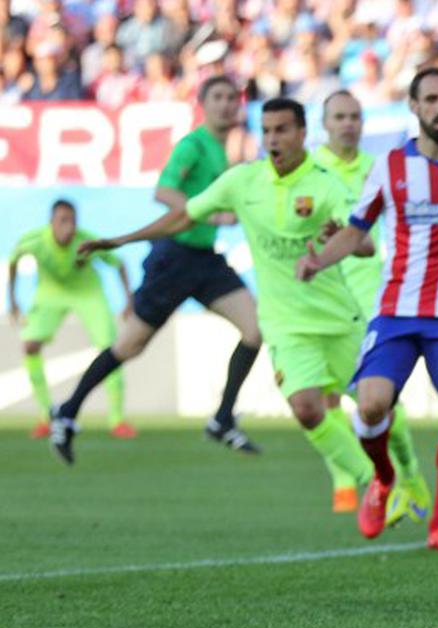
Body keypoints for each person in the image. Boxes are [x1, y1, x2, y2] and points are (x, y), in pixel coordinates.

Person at [78, 98, 381, 513]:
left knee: (375, 405)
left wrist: (324, 257)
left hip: (344, 310)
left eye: (282, 130)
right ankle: (365, 482)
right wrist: (122, 240)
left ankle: (405, 479)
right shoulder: (241, 179)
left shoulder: (332, 180)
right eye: (267, 131)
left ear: (302, 133)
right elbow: (185, 213)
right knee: (309, 406)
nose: (273, 139)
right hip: (286, 320)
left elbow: (363, 243)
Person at [296, 67, 438, 551]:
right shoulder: (389, 168)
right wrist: (320, 260)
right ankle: (384, 479)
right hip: (397, 310)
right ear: (413, 105)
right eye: (431, 99)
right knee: (369, 407)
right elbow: (356, 228)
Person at [49, 76, 262, 464]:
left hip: (205, 258)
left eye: (233, 98)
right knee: (130, 345)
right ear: (203, 103)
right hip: (174, 258)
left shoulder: (222, 151)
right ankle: (67, 411)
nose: (227, 104)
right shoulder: (194, 145)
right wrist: (210, 211)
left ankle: (222, 418)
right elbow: (163, 192)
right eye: (218, 97)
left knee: (253, 330)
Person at [312, 89, 430, 518]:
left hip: (369, 293)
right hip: (320, 296)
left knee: (376, 398)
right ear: (324, 124)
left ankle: (408, 473)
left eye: (355, 116)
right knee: (322, 397)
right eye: (339, 116)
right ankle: (345, 478)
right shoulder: (311, 170)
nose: (348, 123)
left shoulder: (380, 169)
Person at [7, 199, 135, 440]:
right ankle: (46, 416)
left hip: (88, 293)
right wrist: (12, 299)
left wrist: (129, 300)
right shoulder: (33, 241)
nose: (69, 226)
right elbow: (13, 262)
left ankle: (117, 419)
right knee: (30, 345)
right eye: (63, 220)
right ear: (51, 223)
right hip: (51, 292)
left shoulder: (87, 241)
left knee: (112, 350)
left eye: (73, 221)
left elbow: (120, 264)